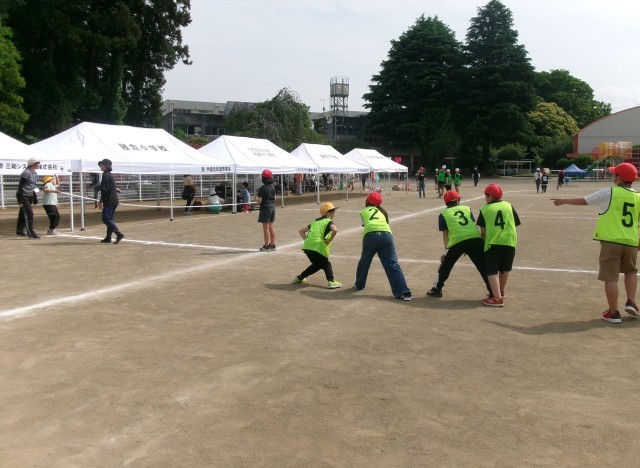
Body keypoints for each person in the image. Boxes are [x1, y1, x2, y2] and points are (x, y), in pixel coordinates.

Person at [551, 163, 640, 324]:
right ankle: (631, 301)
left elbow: (585, 200)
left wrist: (563, 201)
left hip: (611, 241)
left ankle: (613, 312)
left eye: (614, 174)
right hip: (631, 241)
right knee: (631, 272)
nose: (612, 176)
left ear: (619, 178)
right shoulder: (638, 197)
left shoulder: (610, 192)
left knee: (610, 277)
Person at [426, 190, 491, 298]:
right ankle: (493, 290)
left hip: (457, 241)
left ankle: (437, 288)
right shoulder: (467, 208)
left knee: (446, 265)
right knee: (482, 266)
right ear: (457, 200)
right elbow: (470, 223)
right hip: (475, 238)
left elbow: (445, 235)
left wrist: (446, 251)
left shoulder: (443, 214)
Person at [354, 192, 412, 301]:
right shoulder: (383, 211)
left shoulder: (364, 211)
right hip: (386, 235)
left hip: (370, 235)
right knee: (392, 264)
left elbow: (365, 224)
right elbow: (386, 223)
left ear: (367, 201)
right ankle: (404, 292)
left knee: (364, 261)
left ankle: (359, 284)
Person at [476, 183, 521, 307]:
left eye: (486, 195)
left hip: (493, 243)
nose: (485, 197)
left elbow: (483, 231)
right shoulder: (509, 205)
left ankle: (497, 299)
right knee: (505, 269)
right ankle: (500, 291)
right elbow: (515, 223)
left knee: (491, 270)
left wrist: (484, 243)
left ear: (490, 196)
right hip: (510, 242)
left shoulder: (485, 209)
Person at [293, 202, 342, 289]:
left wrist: (308, 241)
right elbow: (335, 230)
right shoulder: (328, 221)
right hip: (317, 246)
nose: (334, 213)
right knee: (326, 264)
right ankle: (331, 281)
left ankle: (300, 277)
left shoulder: (315, 221)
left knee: (317, 264)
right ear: (327, 213)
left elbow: (301, 231)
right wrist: (329, 240)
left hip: (307, 247)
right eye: (332, 211)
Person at [98, 159, 124, 244]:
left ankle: (118, 234)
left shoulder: (106, 175)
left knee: (106, 218)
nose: (100, 166)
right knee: (110, 219)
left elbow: (104, 190)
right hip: (113, 200)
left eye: (102, 165)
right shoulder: (109, 174)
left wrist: (101, 200)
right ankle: (108, 237)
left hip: (109, 200)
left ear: (106, 166)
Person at [16, 157, 41, 238]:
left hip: (29, 195)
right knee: (29, 213)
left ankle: (20, 230)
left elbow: (33, 186)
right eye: (38, 163)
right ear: (33, 164)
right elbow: (20, 186)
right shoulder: (26, 172)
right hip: (23, 195)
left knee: (23, 213)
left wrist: (35, 197)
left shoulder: (35, 173)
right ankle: (30, 232)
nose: (39, 164)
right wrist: (20, 200)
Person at [257, 169, 276, 251]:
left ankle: (266, 246)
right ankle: (272, 245)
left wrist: (257, 202)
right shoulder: (272, 187)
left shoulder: (262, 188)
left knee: (266, 228)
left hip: (265, 208)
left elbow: (259, 201)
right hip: (272, 207)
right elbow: (275, 198)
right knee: (271, 226)